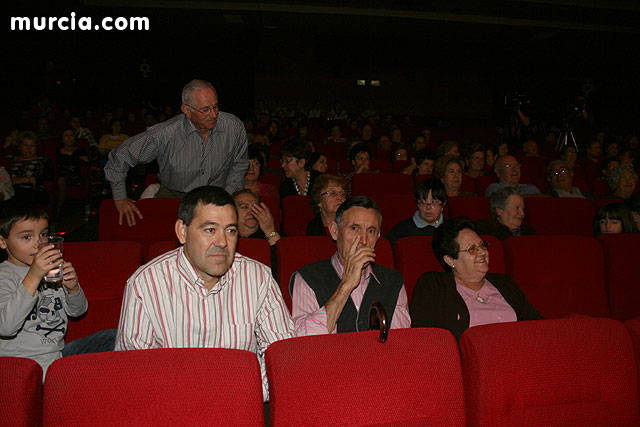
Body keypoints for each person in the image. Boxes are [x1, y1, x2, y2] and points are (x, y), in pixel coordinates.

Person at [115, 186, 295, 401]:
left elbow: (280, 356)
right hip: (172, 407)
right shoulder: (145, 284)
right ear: (182, 231)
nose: (222, 242)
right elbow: (135, 369)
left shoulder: (258, 278)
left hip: (241, 403)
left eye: (230, 230)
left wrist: (239, 395)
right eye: (210, 230)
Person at [104, 79, 249, 226]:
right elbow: (120, 155)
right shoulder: (164, 133)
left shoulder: (233, 127)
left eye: (216, 107)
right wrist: (120, 196)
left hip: (217, 197)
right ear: (187, 110)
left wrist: (228, 196)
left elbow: (239, 165)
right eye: (205, 110)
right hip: (173, 198)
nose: (213, 115)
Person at [0, 204, 115, 374]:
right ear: (3, 242)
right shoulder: (5, 276)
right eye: (26, 237)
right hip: (21, 365)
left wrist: (73, 288)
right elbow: (6, 327)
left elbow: (78, 311)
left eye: (43, 235)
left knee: (116, 336)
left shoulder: (52, 270)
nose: (38, 244)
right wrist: (34, 275)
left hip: (58, 357)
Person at [290, 196, 411, 336]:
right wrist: (346, 285)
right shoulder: (308, 277)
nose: (363, 240)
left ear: (378, 236)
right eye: (354, 228)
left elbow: (400, 339)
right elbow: (304, 340)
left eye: (371, 231)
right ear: (335, 231)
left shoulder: (393, 281)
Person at [410, 217, 542, 341]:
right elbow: (425, 336)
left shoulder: (504, 283)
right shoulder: (433, 285)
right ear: (450, 260)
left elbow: (537, 324)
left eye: (482, 245)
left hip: (518, 354)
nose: (483, 252)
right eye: (472, 249)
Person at [385, 179, 447, 247]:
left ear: (443, 204)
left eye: (433, 202)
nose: (428, 208)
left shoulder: (452, 229)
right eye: (423, 202)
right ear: (417, 203)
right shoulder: (402, 230)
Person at [10, 131, 54, 205]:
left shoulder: (45, 161)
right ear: (19, 147)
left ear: (36, 147)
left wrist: (21, 180)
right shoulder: (10, 160)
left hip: (34, 193)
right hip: (12, 193)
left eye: (32, 145)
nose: (29, 148)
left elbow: (47, 178)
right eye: (25, 145)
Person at [56, 128, 89, 218]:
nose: (69, 138)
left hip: (77, 175)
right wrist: (75, 159)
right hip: (62, 175)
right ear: (62, 138)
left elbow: (85, 162)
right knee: (61, 180)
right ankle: (58, 211)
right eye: (66, 136)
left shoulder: (80, 150)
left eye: (71, 136)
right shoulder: (57, 151)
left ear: (74, 138)